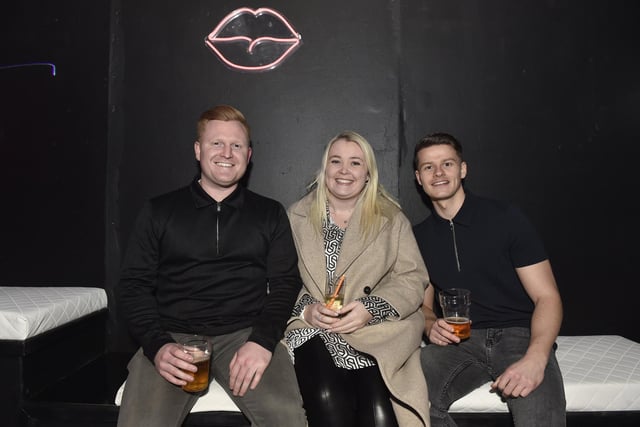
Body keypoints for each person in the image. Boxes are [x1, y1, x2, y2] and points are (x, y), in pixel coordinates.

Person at [115, 105, 307, 427]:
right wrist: (158, 345)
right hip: (174, 336)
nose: (226, 153)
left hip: (245, 334)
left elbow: (286, 282)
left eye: (236, 146)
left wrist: (262, 341)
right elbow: (133, 286)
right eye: (216, 143)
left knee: (286, 419)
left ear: (249, 154)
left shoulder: (269, 213)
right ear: (198, 149)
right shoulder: (159, 211)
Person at [412, 132, 566, 427]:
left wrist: (536, 358)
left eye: (447, 163)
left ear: (463, 169)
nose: (439, 173)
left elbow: (547, 297)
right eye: (429, 167)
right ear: (419, 178)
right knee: (406, 395)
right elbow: (423, 306)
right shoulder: (418, 237)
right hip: (459, 343)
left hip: (519, 336)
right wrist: (431, 325)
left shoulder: (506, 218)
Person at [285, 130, 431, 427]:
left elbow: (412, 277)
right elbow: (279, 278)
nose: (344, 171)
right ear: (324, 169)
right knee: (327, 399)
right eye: (336, 161)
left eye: (355, 163)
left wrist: (371, 307)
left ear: (368, 174)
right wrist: (307, 309)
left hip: (376, 329)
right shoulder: (296, 216)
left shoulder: (391, 219)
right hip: (314, 328)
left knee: (380, 415)